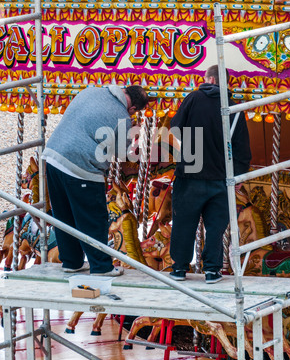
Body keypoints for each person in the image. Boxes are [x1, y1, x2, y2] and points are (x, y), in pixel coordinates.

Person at [42, 85, 149, 276]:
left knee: (64, 215)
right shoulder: (123, 117)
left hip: (53, 156)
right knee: (93, 217)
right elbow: (119, 152)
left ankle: (71, 261)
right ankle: (101, 266)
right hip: (80, 166)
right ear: (133, 109)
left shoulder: (91, 91)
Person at [169, 65, 251, 283]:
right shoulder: (234, 108)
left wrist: (185, 153)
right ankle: (212, 270)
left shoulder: (194, 98)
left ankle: (179, 268)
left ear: (210, 79)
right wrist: (239, 178)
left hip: (191, 174)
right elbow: (242, 149)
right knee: (215, 228)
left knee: (184, 223)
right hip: (221, 178)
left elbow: (175, 128)